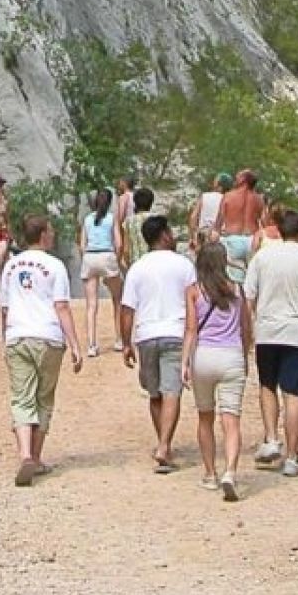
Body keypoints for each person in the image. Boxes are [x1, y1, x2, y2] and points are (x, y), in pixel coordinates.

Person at [244, 208, 298, 477]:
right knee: (293, 393)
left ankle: (271, 438)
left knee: (267, 385)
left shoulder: (263, 257)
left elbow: (249, 297)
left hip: (268, 331)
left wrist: (248, 331)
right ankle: (293, 456)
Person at [0, 214, 84, 486]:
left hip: (18, 334)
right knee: (44, 398)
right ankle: (35, 456)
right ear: (43, 235)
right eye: (51, 231)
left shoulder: (11, 265)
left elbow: (4, 307)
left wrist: (6, 337)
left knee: (22, 398)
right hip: (48, 336)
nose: (54, 234)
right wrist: (75, 345)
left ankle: (24, 454)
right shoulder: (55, 266)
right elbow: (61, 307)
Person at [120, 215, 195, 474]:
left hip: (147, 334)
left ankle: (163, 443)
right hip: (176, 332)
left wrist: (127, 343)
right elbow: (194, 301)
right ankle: (164, 445)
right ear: (164, 235)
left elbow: (127, 309)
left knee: (155, 393)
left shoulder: (137, 268)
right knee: (172, 391)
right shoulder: (184, 265)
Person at [181, 241, 252, 499]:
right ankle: (230, 471)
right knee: (231, 420)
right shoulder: (236, 290)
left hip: (204, 357)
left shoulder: (193, 292)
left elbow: (190, 329)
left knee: (205, 418)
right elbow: (246, 330)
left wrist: (184, 362)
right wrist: (244, 358)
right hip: (231, 356)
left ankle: (210, 473)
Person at [77, 188, 123, 357]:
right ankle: (119, 339)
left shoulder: (87, 219)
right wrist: (115, 261)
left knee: (91, 304)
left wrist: (86, 259)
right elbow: (118, 243)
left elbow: (82, 244)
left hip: (90, 256)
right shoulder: (112, 218)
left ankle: (91, 344)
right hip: (107, 254)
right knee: (117, 299)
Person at [218, 169, 265, 285]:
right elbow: (264, 222)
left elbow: (218, 221)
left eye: (238, 176)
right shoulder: (259, 199)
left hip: (233, 240)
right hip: (252, 241)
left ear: (244, 180)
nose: (235, 178)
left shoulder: (228, 196)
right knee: (251, 281)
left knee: (234, 282)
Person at [187, 173, 229, 251]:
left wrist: (192, 237)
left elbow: (193, 217)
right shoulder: (228, 199)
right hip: (220, 237)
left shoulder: (205, 196)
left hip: (203, 235)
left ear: (218, 185)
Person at [119, 186, 155, 273]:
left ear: (135, 202)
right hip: (154, 263)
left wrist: (129, 266)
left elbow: (126, 250)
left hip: (136, 265)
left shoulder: (128, 222)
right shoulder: (156, 219)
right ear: (151, 202)